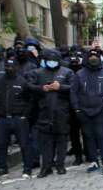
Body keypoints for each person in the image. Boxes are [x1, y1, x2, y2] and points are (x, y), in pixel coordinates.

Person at [28, 49, 75, 178]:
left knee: (61, 140)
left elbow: (74, 87)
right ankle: (46, 167)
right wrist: (42, 88)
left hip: (62, 112)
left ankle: (60, 165)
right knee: (46, 142)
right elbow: (29, 86)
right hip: (43, 112)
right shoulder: (38, 73)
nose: (52, 63)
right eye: (50, 60)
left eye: (54, 61)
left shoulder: (67, 72)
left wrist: (60, 87)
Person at [71, 48, 103, 175]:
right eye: (91, 57)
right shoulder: (79, 74)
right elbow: (73, 92)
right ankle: (93, 161)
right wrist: (77, 109)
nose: (93, 59)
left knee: (101, 135)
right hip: (84, 111)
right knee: (88, 136)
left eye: (95, 57)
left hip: (100, 111)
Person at [0, 58, 32, 179]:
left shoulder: (22, 82)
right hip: (1, 118)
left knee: (24, 144)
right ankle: (2, 168)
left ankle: (27, 168)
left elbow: (29, 100)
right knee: (1, 144)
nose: (9, 69)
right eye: (7, 67)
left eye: (12, 67)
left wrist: (25, 115)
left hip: (18, 118)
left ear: (16, 68)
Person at [67, 48, 87, 165]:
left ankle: (88, 152)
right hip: (71, 107)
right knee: (74, 134)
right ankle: (78, 155)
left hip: (84, 106)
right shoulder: (67, 73)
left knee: (86, 133)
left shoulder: (83, 72)